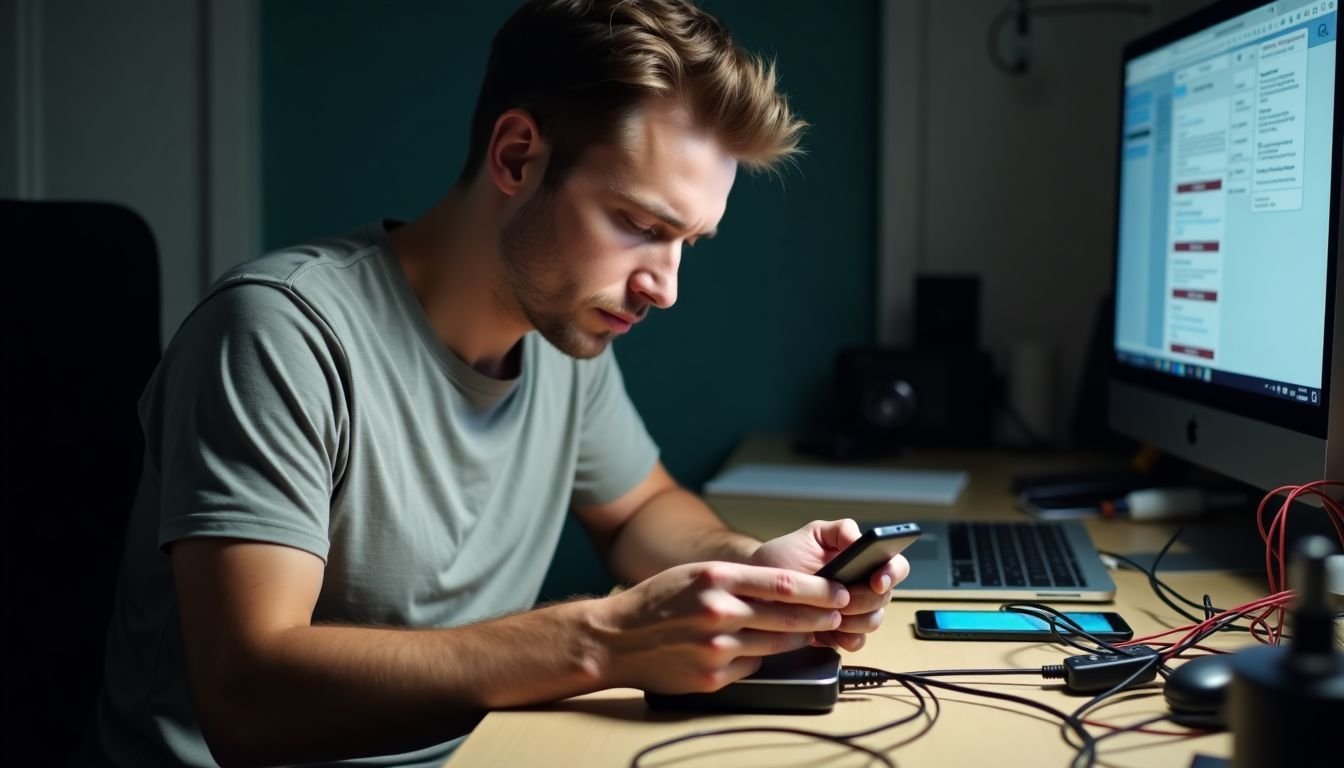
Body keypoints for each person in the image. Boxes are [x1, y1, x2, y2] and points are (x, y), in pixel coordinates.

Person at [89, 1, 911, 766]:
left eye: (687, 243)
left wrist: (753, 574)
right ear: (517, 156)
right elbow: (247, 696)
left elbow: (641, 512)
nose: (664, 286)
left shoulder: (563, 325)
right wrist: (600, 641)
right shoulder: (281, 333)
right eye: (639, 226)